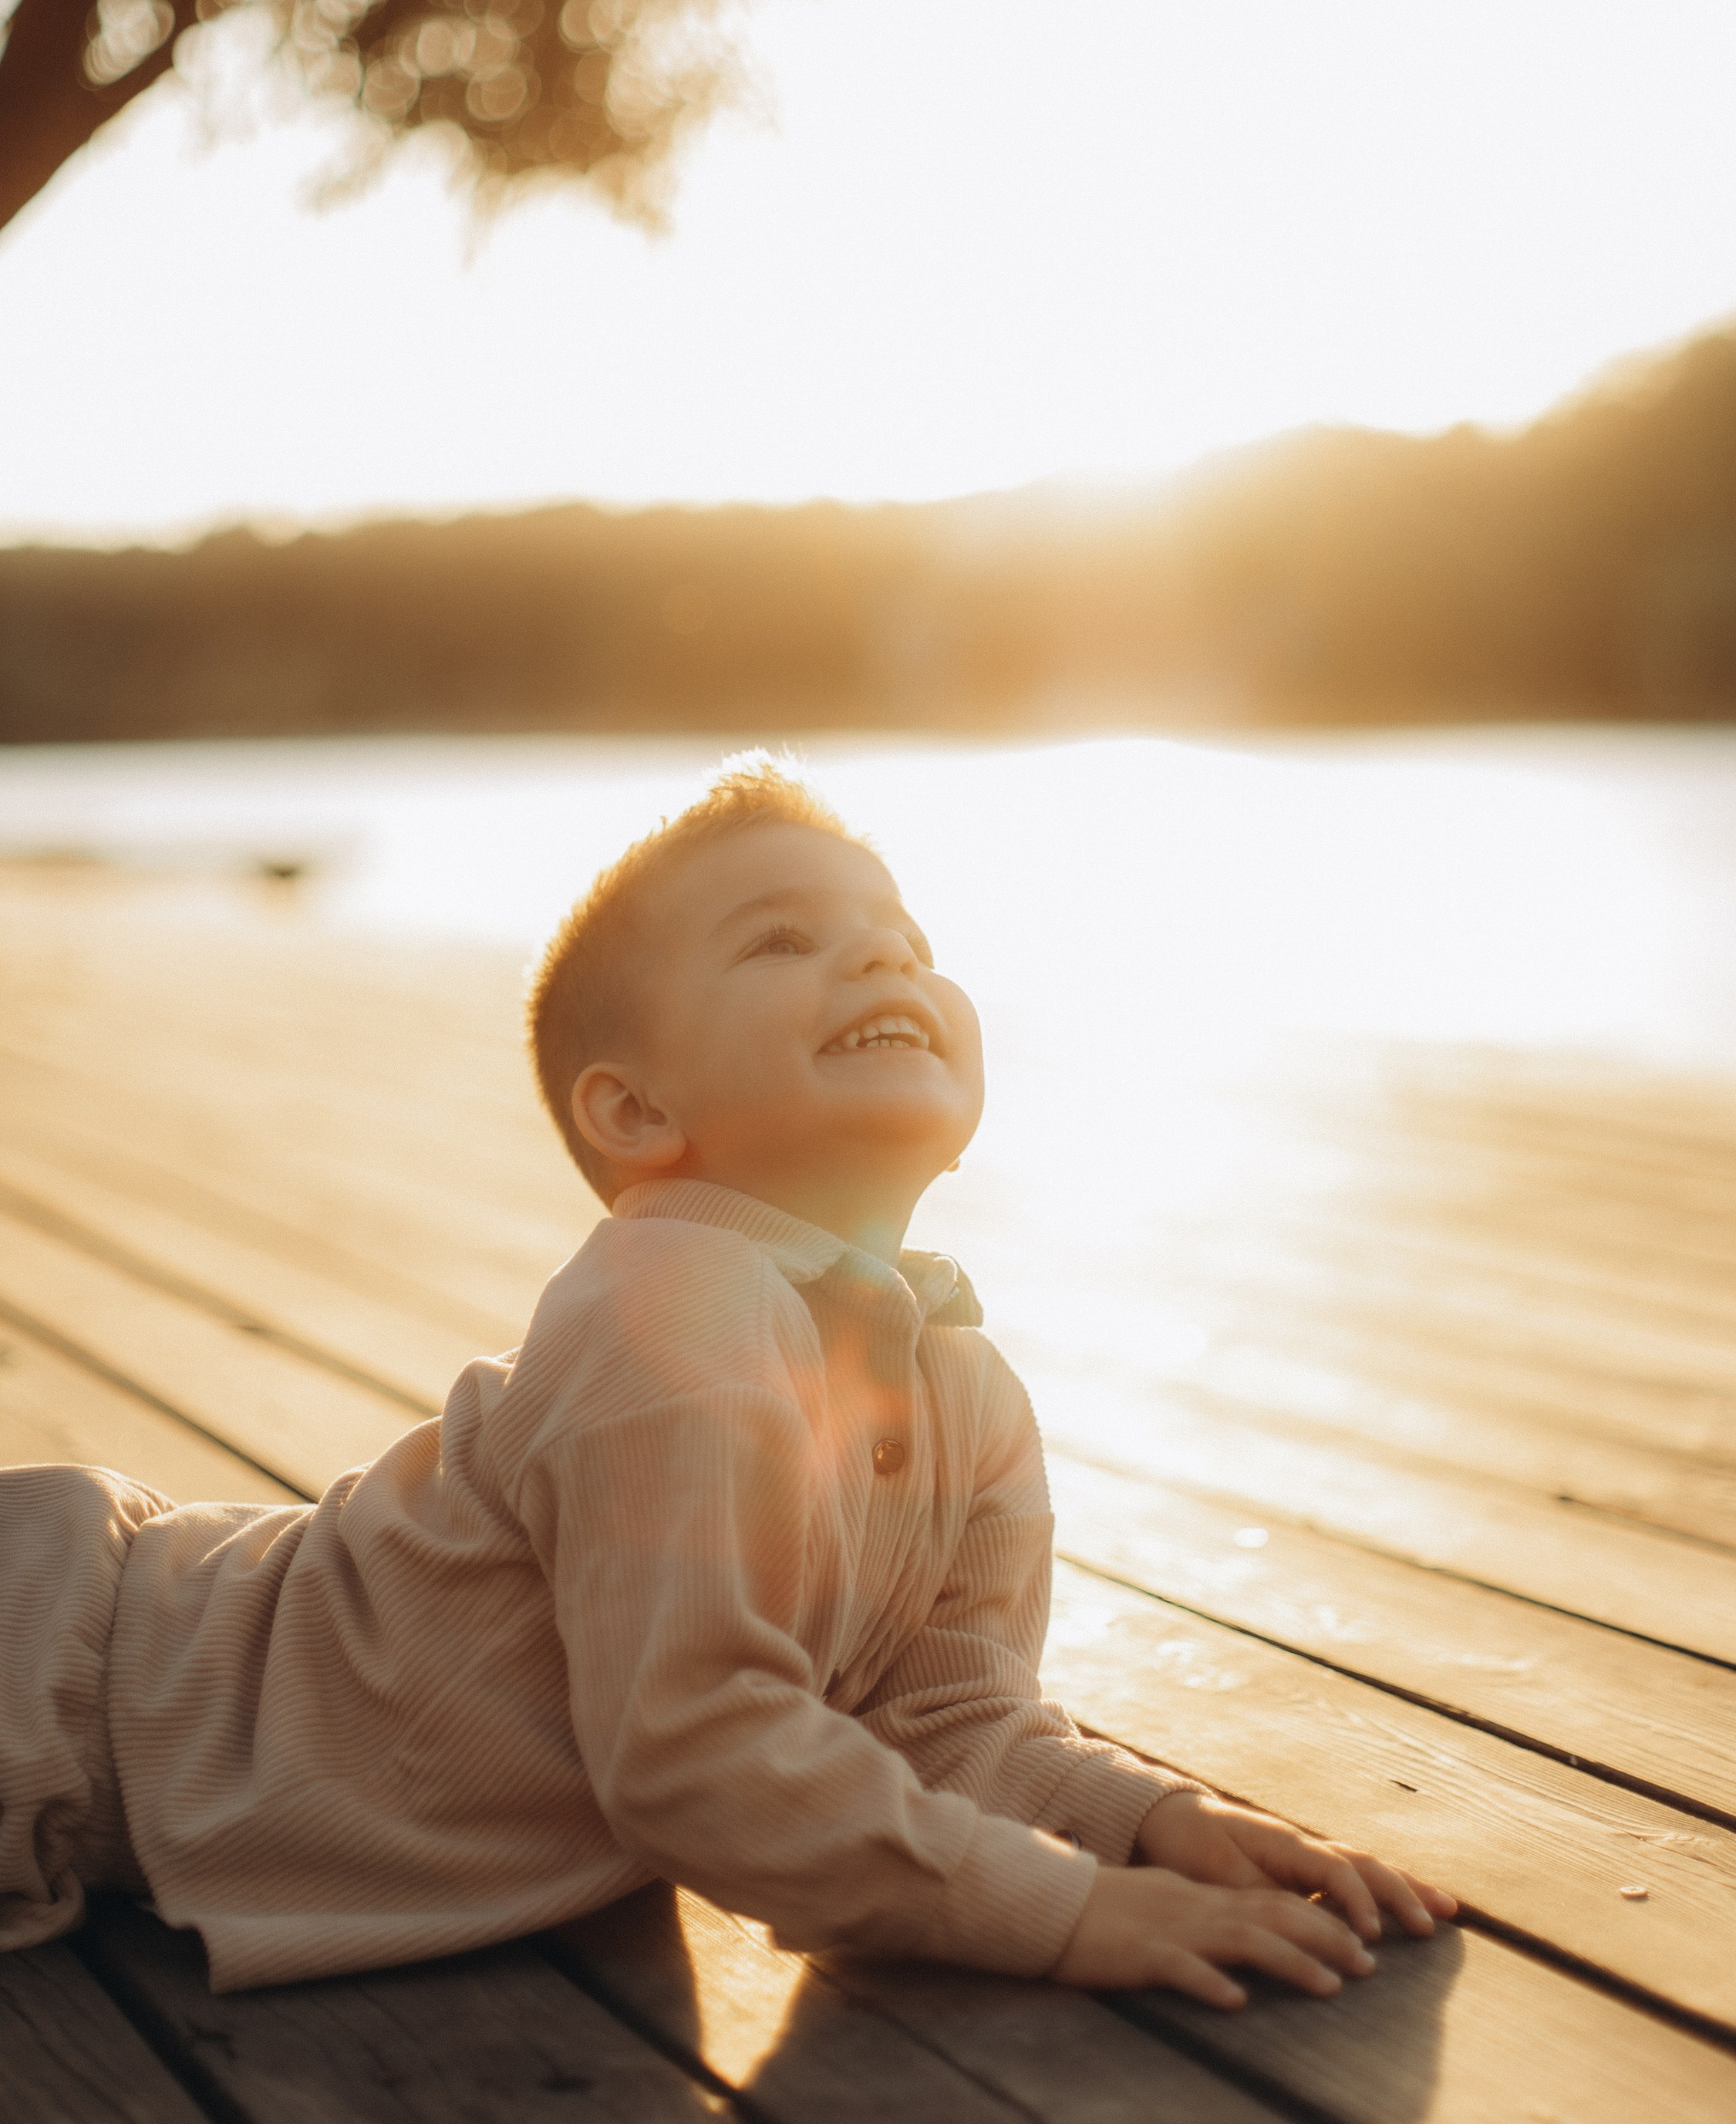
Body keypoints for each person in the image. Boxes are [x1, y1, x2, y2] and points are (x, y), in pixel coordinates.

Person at [0, 757, 1455, 2002]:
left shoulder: (968, 1392)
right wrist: (1063, 1920)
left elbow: (938, 1723)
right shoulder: (669, 1304)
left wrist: (1141, 1825)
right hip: (71, 1675)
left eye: (901, 937)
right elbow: (694, 1753)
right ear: (636, 1112)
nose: (883, 963)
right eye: (782, 943)